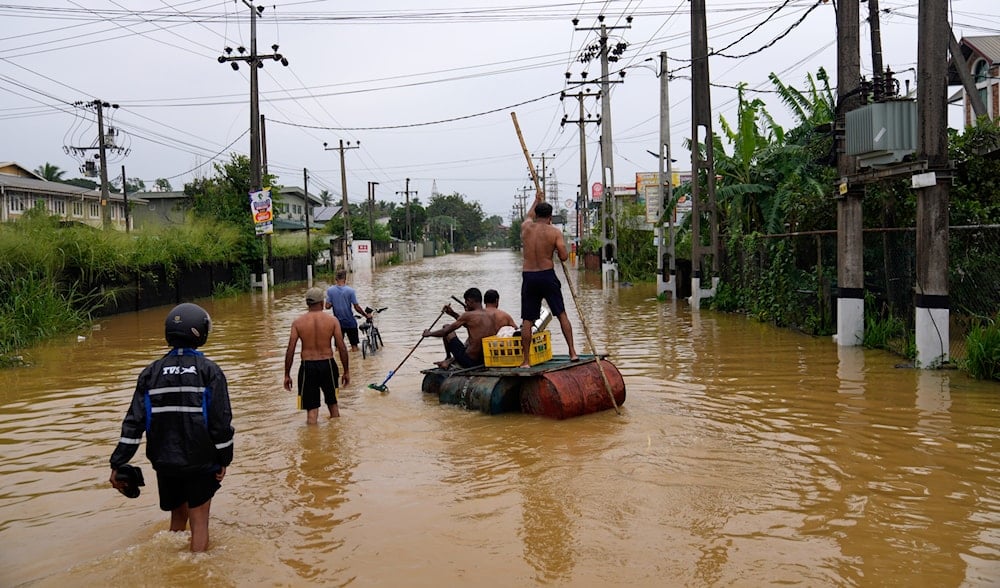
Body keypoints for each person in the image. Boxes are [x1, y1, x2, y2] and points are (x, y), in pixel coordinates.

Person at [109, 302, 234, 553]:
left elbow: (134, 423)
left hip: (165, 461)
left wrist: (116, 463)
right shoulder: (210, 372)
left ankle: (174, 564)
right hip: (200, 461)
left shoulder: (150, 373)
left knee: (178, 518)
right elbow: (220, 423)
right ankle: (196, 571)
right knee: (200, 523)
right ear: (201, 332)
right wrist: (224, 459)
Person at [520, 191, 579, 367]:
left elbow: (528, 216)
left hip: (529, 276)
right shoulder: (554, 232)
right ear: (550, 216)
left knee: (527, 320)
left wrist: (535, 201)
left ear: (537, 214)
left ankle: (526, 361)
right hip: (546, 275)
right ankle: (572, 352)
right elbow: (563, 257)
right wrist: (553, 248)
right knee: (561, 314)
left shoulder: (526, 228)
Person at [285, 287, 350, 424]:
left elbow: (290, 349)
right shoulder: (332, 321)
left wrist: (287, 374)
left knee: (311, 411)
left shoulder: (298, 323)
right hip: (327, 365)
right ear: (322, 303)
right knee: (333, 406)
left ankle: (312, 443)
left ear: (307, 303)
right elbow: (342, 348)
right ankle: (336, 440)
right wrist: (346, 371)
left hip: (307, 366)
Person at [423, 287, 495, 369]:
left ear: (470, 301)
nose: (466, 304)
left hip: (470, 361)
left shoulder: (468, 315)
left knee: (446, 327)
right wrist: (452, 313)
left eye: (466, 302)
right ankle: (449, 360)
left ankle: (448, 357)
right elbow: (468, 324)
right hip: (483, 360)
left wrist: (429, 334)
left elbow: (445, 331)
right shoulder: (490, 314)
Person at [325, 269, 372, 351]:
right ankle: (355, 362)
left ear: (336, 279)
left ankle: (339, 363)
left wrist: (335, 301)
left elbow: (327, 306)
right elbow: (356, 307)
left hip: (338, 324)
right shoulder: (350, 291)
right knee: (354, 347)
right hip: (350, 322)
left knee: (338, 348)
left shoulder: (330, 291)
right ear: (345, 279)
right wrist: (365, 315)